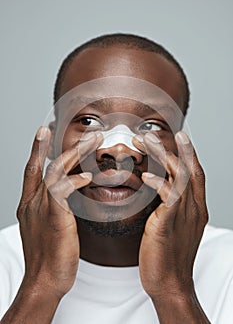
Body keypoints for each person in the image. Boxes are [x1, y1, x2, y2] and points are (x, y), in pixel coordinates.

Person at [0, 33, 233, 324]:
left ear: (180, 150)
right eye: (88, 121)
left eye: (151, 125)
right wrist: (41, 284)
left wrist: (174, 291)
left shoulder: (227, 266)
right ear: (51, 141)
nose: (120, 149)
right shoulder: (4, 261)